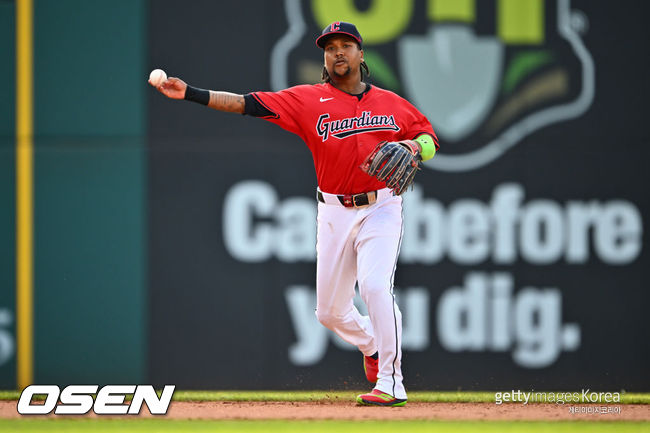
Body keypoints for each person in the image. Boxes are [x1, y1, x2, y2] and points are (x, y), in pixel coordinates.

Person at [151, 21, 438, 407]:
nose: (338, 52)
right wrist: (191, 94)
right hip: (334, 211)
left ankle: (391, 381)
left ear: (360, 54)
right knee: (328, 313)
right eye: (330, 46)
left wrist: (415, 148)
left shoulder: (391, 103)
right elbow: (246, 103)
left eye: (346, 45)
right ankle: (372, 344)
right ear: (324, 56)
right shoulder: (307, 100)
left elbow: (429, 137)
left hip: (382, 206)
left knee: (374, 286)